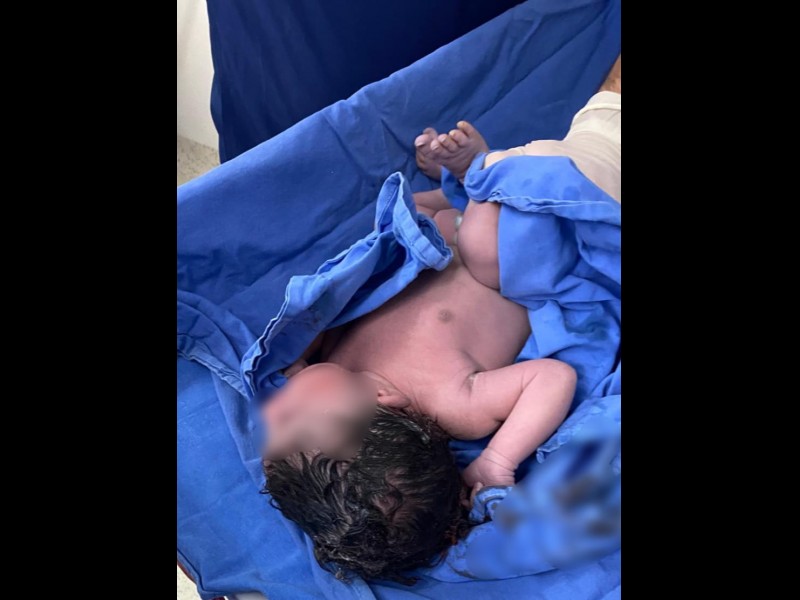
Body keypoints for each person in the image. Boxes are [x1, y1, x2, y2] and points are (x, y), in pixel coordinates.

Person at [264, 57, 621, 583]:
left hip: (441, 239)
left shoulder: (331, 358)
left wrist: (300, 353)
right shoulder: (457, 404)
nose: (271, 408)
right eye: (290, 418)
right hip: (512, 250)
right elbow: (553, 376)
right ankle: (480, 174)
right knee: (483, 247)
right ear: (381, 400)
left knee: (413, 217)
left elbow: (335, 304)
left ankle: (463, 183)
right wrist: (498, 460)